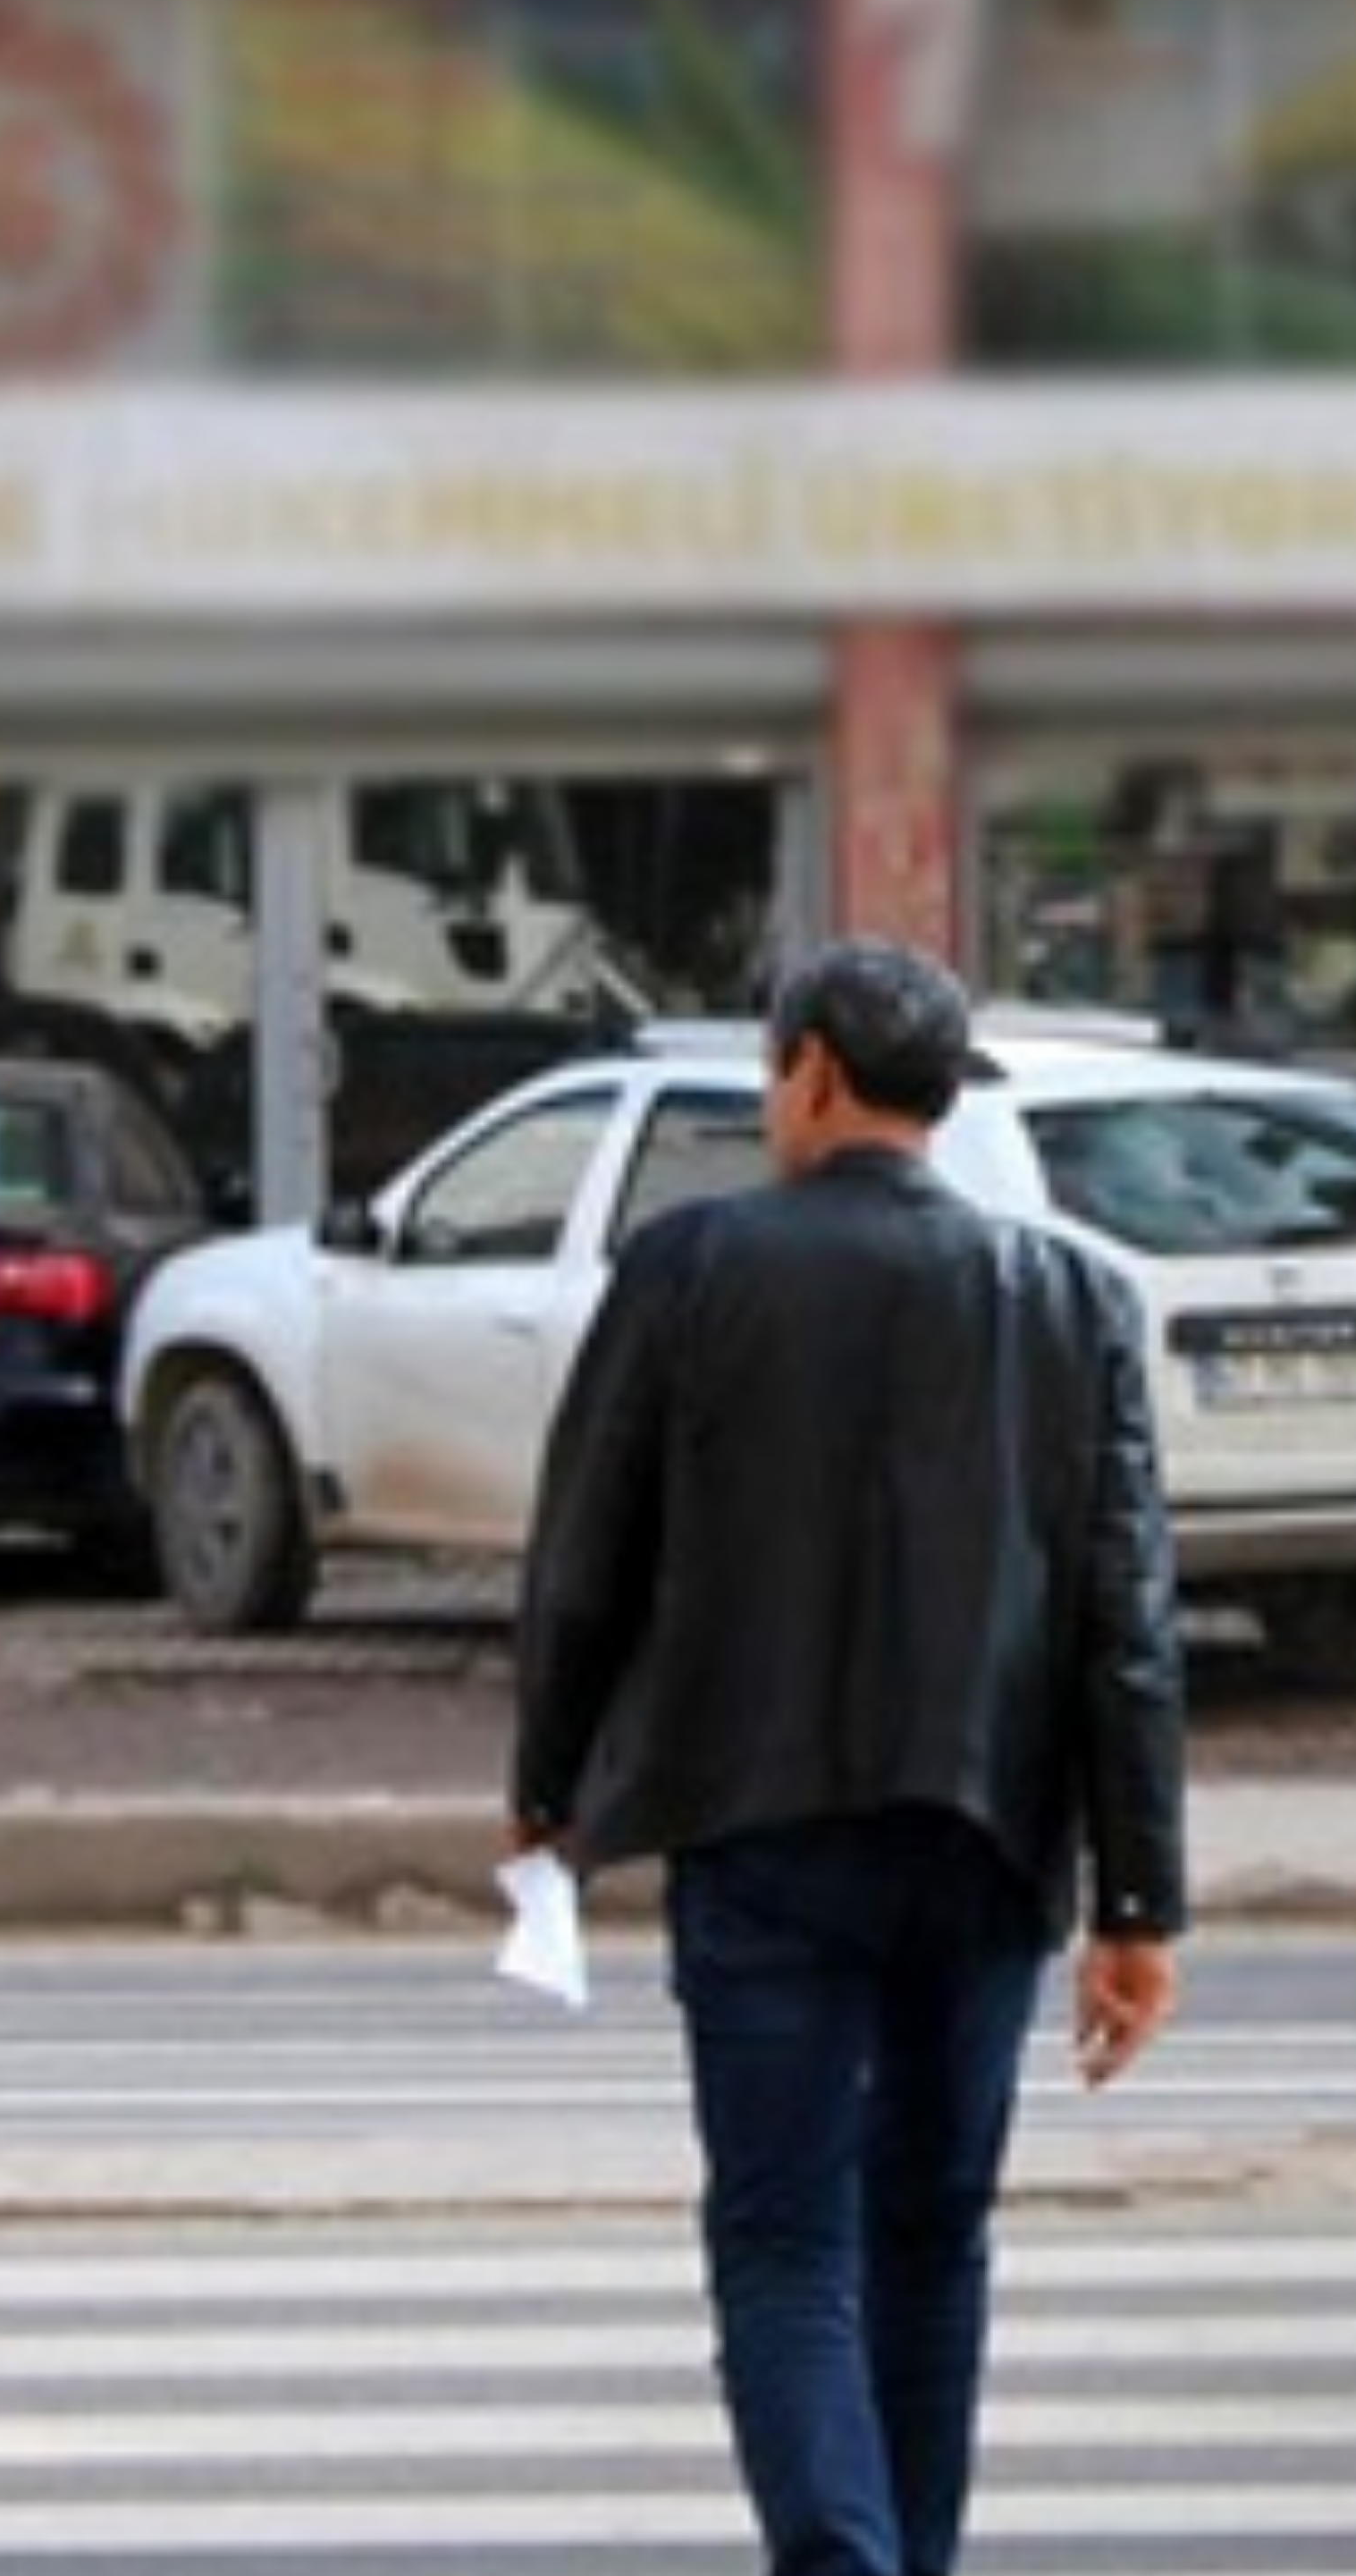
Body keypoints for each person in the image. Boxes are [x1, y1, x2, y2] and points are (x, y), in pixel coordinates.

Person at [510, 938, 1190, 2576]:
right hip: (985, 1838)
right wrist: (1140, 1902)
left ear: (808, 1070)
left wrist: (548, 1790)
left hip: (761, 1831)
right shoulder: (1072, 1295)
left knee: (783, 2242)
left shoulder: (691, 1269)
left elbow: (583, 1557)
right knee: (933, 2238)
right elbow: (1129, 1619)